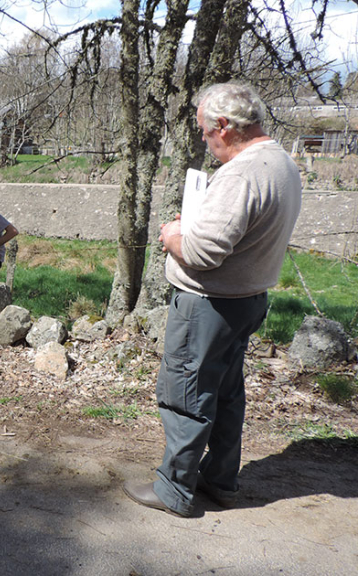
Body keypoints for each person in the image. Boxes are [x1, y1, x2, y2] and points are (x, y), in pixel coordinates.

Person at [123, 83, 302, 517]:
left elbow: (203, 253)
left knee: (186, 392)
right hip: (247, 299)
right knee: (224, 394)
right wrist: (199, 225)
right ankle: (221, 480)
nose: (205, 140)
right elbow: (239, 230)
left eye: (205, 132)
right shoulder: (281, 162)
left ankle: (174, 489)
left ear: (224, 126)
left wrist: (172, 236)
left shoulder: (241, 172)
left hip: (210, 305)